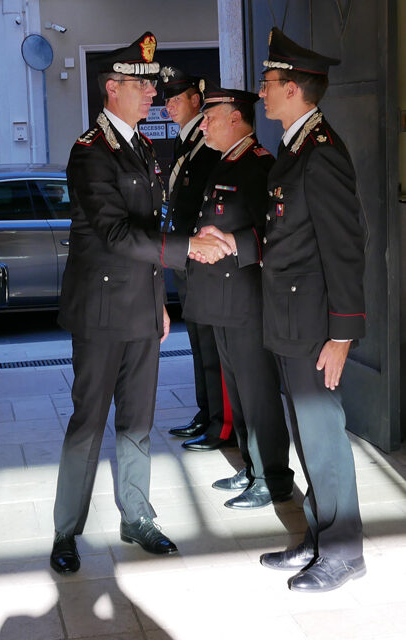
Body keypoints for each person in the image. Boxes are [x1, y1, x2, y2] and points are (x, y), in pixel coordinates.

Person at [49, 32, 233, 574]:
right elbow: (113, 233)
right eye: (141, 84)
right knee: (88, 422)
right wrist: (188, 249)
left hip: (141, 308)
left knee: (138, 421)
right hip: (101, 312)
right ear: (112, 89)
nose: (152, 93)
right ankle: (65, 531)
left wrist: (159, 301)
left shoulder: (145, 147)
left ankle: (136, 515)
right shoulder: (90, 153)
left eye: (153, 85)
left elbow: (148, 232)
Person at [256, 27, 366, 591]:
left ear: (295, 89)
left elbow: (345, 246)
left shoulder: (320, 153)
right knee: (306, 434)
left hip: (314, 325)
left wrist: (342, 335)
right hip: (289, 320)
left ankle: (344, 550)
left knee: (323, 434)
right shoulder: (296, 145)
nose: (262, 92)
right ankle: (322, 536)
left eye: (269, 83)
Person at [186, 82, 293, 509]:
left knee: (258, 391)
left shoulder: (257, 164)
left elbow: (274, 231)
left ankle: (275, 478)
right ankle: (251, 467)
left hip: (248, 298)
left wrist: (233, 241)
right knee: (238, 388)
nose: (204, 123)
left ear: (236, 118)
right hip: (224, 300)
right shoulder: (225, 161)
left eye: (211, 116)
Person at [159, 66, 232, 452]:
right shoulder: (185, 143)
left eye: (176, 98)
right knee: (198, 343)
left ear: (195, 100)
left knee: (211, 344)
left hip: (203, 258)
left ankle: (221, 422)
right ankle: (207, 413)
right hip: (186, 256)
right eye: (166, 99)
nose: (168, 106)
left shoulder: (206, 145)